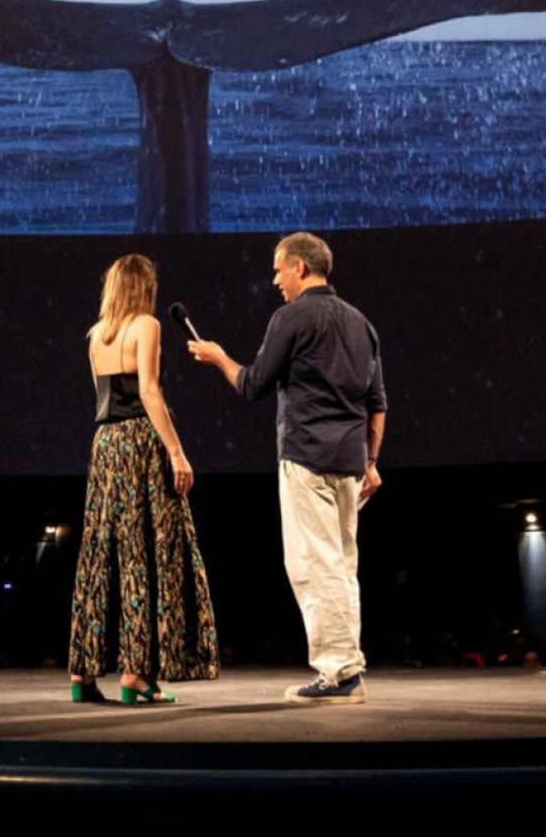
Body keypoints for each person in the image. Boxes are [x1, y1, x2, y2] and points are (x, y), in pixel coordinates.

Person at [189, 232, 385, 705]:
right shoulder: (362, 323)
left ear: (300, 267)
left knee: (313, 566)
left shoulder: (292, 317)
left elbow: (252, 383)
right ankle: (347, 665)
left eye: (278, 269)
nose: (274, 278)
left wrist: (217, 358)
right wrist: (373, 461)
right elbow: (377, 402)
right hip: (350, 464)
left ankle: (338, 674)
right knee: (341, 567)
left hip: (306, 457)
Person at [68, 254, 219, 704]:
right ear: (143, 288)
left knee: (99, 555)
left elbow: (104, 396)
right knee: (147, 553)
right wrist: (176, 451)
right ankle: (135, 675)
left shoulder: (96, 335)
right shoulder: (146, 326)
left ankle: (82, 673)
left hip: (105, 445)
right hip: (139, 442)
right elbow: (149, 392)